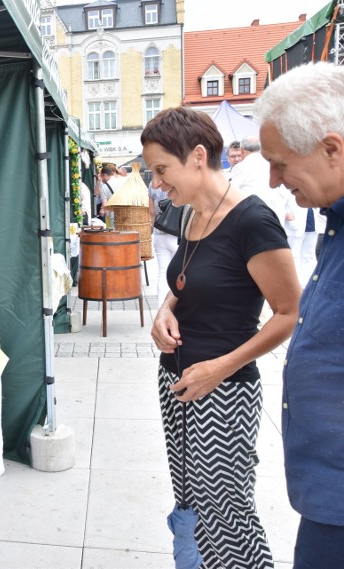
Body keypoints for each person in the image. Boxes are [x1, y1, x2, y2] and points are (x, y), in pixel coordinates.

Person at [143, 107, 300, 568]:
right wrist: (164, 311)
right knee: (191, 504)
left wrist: (223, 366)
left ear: (196, 156)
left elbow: (289, 312)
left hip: (225, 394)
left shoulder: (252, 220)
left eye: (161, 170)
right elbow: (188, 283)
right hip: (177, 382)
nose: (156, 183)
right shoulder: (192, 214)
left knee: (228, 518)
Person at [255, 61, 344, 569]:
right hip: (326, 495)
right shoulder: (333, 222)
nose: (273, 178)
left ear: (331, 148)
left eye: (280, 162)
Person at [230, 136, 290, 226]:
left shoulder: (241, 167)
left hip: (254, 218)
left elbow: (229, 193)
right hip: (276, 217)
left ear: (242, 150)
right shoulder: (272, 165)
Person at [148, 183, 178, 307]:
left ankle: (162, 307)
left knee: (162, 272)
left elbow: (151, 211)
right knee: (181, 271)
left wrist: (152, 229)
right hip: (177, 233)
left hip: (159, 232)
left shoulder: (152, 184)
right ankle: (177, 307)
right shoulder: (176, 180)